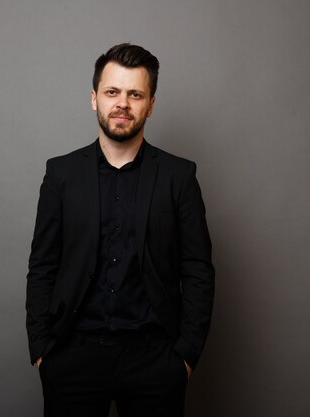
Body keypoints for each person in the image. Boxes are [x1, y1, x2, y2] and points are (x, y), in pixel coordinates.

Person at [25, 43, 215, 417]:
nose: (122, 103)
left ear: (150, 104)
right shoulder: (61, 175)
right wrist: (42, 350)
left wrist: (185, 357)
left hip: (155, 359)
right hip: (72, 356)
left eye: (135, 94)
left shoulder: (179, 176)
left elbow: (198, 271)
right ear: (94, 98)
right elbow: (42, 266)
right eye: (112, 92)